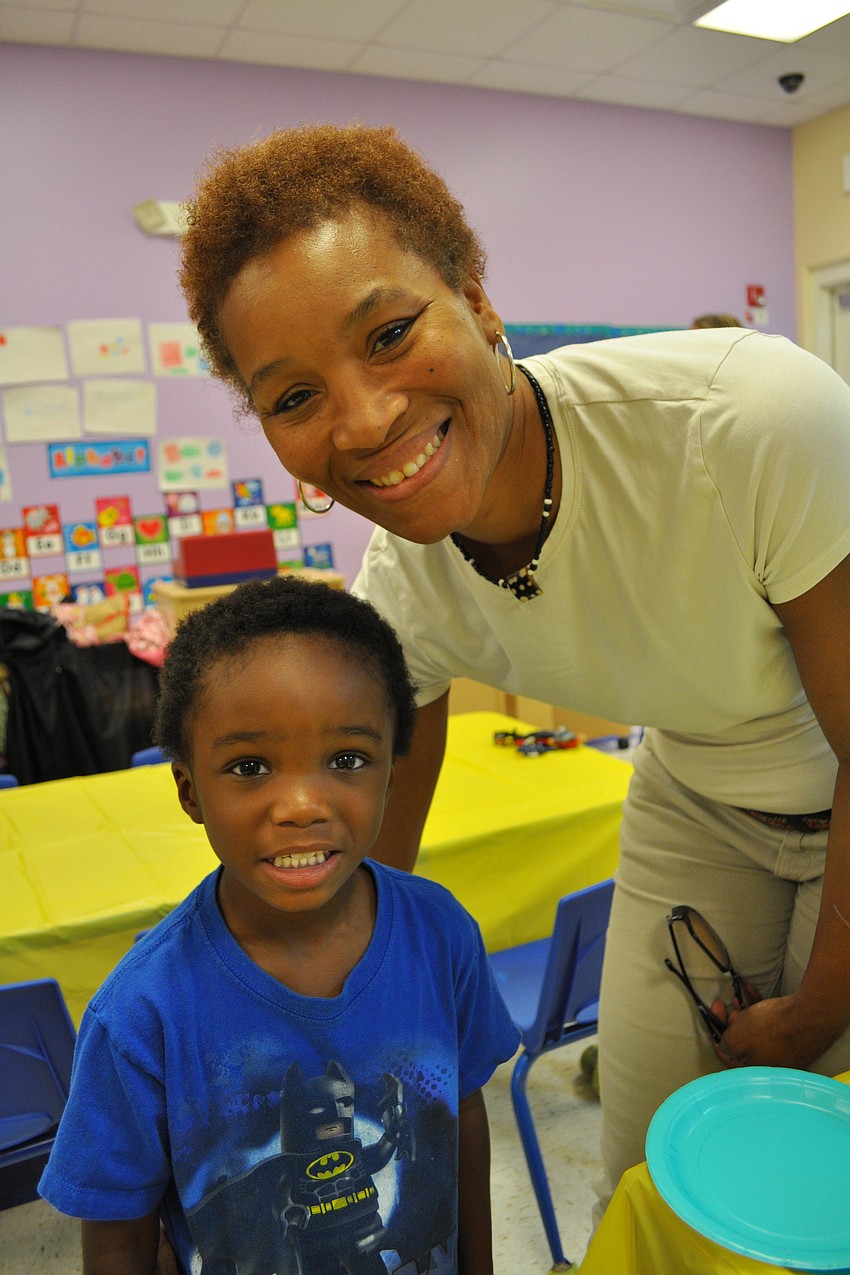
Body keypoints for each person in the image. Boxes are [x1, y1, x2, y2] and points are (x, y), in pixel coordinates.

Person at [176, 122, 850, 1214]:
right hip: (698, 797)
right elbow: (372, 829)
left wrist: (817, 1007)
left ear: (477, 298)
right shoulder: (407, 578)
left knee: (816, 1178)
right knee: (647, 1170)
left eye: (390, 333)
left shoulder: (743, 423)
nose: (364, 418)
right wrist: (331, 1018)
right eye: (293, 398)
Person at [38, 575, 519, 1274]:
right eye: (250, 765)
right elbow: (118, 1233)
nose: (299, 804)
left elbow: (460, 1117)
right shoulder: (140, 1014)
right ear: (189, 789)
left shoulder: (440, 933)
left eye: (347, 759)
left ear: (391, 770)